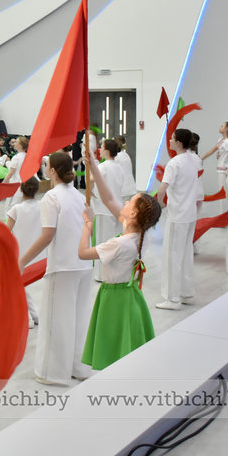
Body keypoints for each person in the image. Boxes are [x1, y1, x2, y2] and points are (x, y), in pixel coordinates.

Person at [78, 135, 162, 370]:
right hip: (130, 295)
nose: (123, 203)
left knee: (114, 344)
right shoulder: (138, 234)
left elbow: (83, 253)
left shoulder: (120, 243)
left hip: (114, 298)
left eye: (129, 202)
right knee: (126, 344)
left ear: (133, 214)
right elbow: (108, 198)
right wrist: (94, 165)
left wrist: (87, 226)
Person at [18, 152, 91, 386]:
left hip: (62, 265)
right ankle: (79, 366)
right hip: (83, 263)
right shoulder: (78, 195)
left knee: (56, 320)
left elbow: (47, 235)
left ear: (52, 171)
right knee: (78, 318)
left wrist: (22, 261)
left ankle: (52, 372)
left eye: (47, 165)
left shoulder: (51, 197)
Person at [0, 177, 43, 327]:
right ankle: (35, 314)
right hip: (38, 254)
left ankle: (27, 318)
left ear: (21, 190)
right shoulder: (43, 206)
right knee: (21, 285)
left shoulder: (16, 209)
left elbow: (3, 236)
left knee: (17, 286)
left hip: (20, 255)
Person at [155, 128, 202, 310]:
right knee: (186, 254)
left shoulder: (174, 163)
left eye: (172, 139)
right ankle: (187, 293)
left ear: (179, 143)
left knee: (172, 256)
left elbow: (162, 189)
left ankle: (173, 298)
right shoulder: (194, 159)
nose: (170, 141)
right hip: (190, 214)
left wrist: (160, 205)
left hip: (177, 216)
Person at [90, 138, 127, 282]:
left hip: (103, 208)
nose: (99, 149)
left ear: (106, 151)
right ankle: (113, 271)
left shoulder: (103, 167)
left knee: (103, 242)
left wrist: (90, 191)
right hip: (117, 207)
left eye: (101, 147)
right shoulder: (118, 167)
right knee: (114, 240)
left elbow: (91, 180)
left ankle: (101, 274)